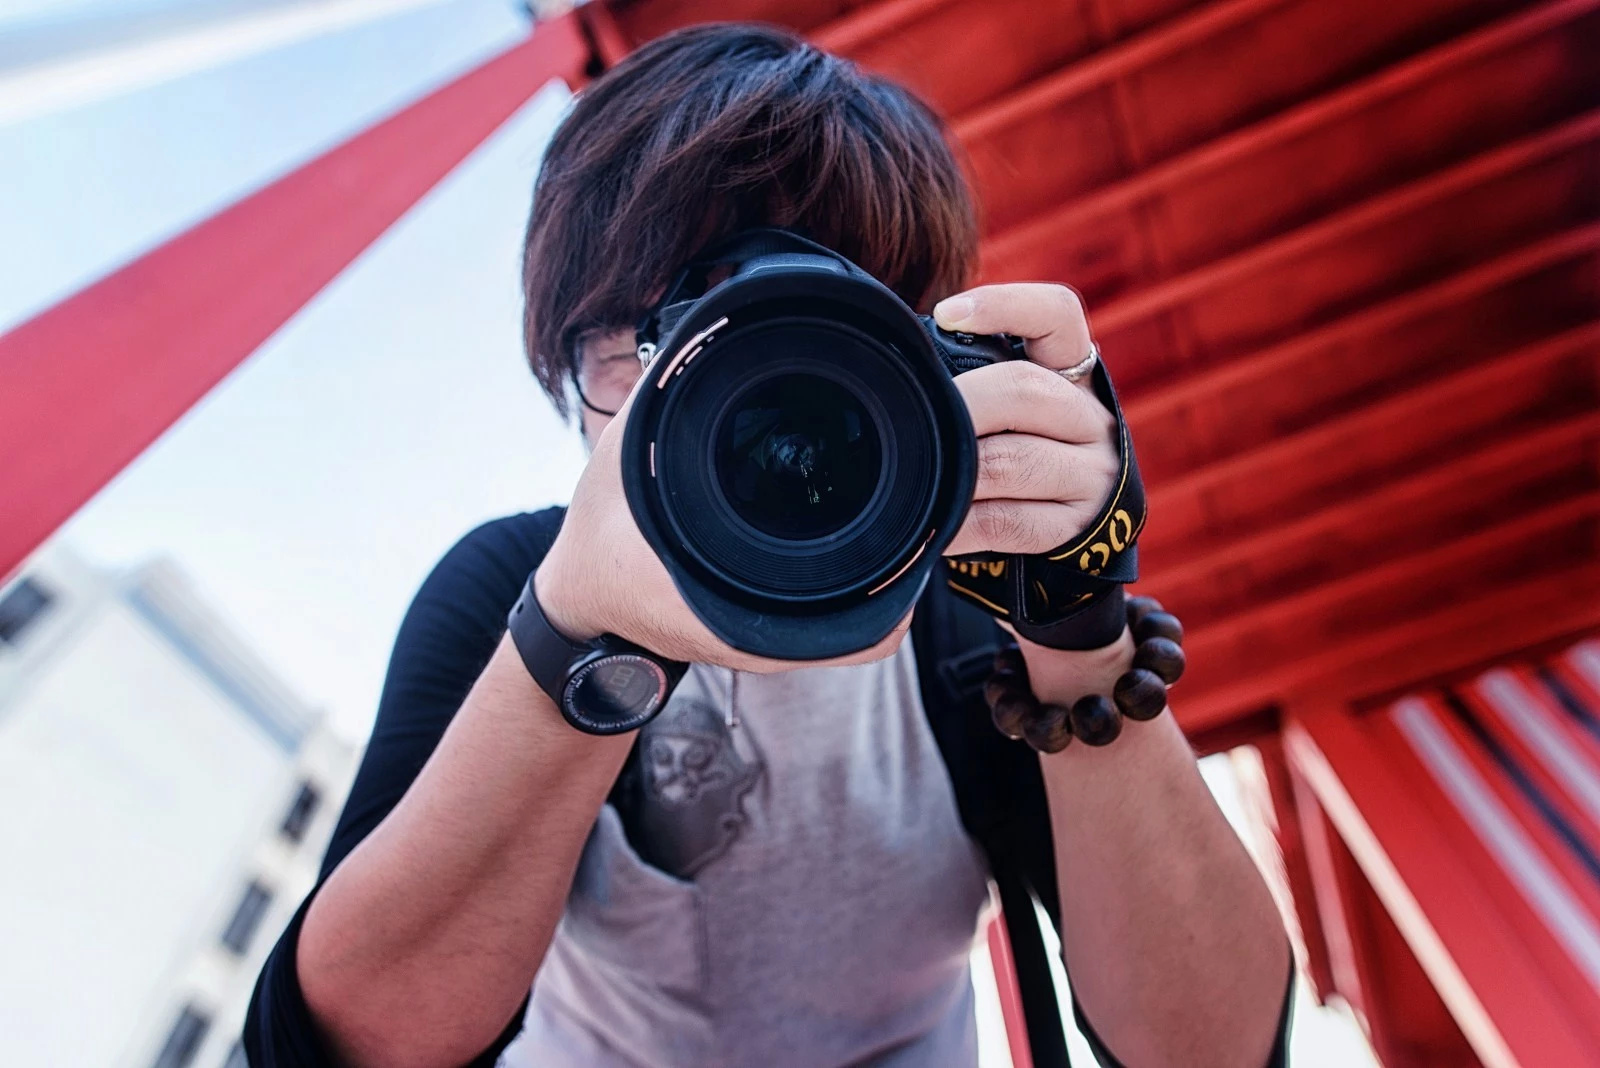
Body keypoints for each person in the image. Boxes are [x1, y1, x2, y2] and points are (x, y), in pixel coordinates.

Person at [245, 23, 1292, 1068]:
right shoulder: (510, 592)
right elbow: (345, 1048)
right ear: (578, 365)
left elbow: (1212, 1052)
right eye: (648, 338)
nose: (718, 399)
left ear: (924, 362)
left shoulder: (966, 615)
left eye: (793, 333)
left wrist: (1078, 629)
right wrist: (573, 636)